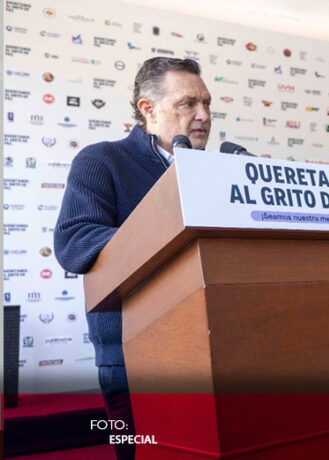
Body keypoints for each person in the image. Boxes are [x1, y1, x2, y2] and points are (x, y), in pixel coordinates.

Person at [54, 57, 213, 459]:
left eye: (208, 104)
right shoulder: (101, 161)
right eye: (188, 104)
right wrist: (177, 240)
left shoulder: (214, 172)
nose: (203, 116)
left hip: (214, 354)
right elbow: (76, 241)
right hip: (132, 360)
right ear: (148, 109)